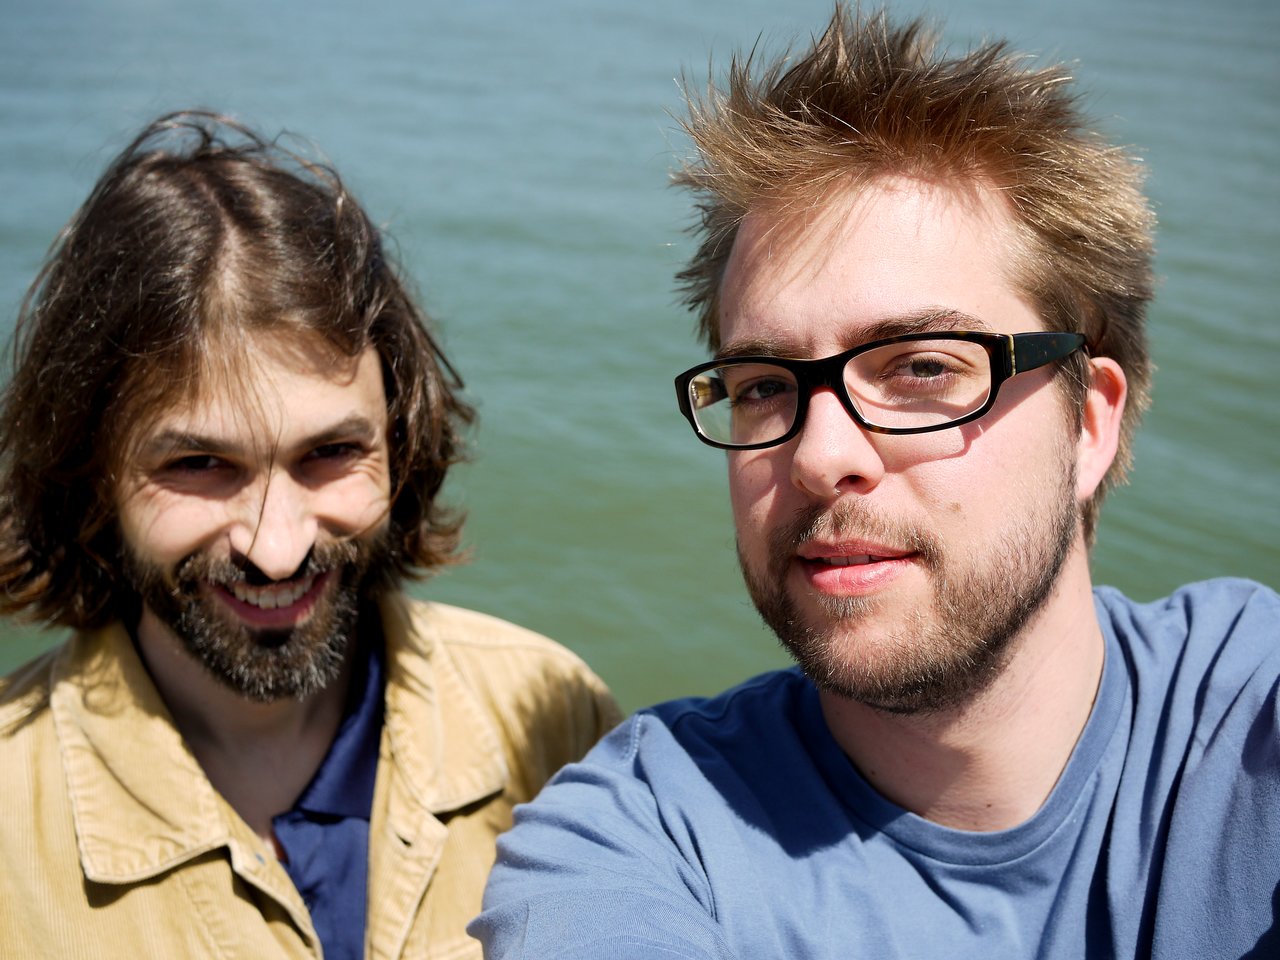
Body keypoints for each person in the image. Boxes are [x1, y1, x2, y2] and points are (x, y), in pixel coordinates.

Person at [471, 7, 1279, 959]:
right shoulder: (635, 841)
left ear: (1090, 421)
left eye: (922, 369)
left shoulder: (1248, 720)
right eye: (766, 386)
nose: (819, 455)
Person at [0, 110, 619, 959]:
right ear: (88, 473)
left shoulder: (550, 717)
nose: (278, 546)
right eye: (198, 465)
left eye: (329, 453)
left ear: (401, 444)